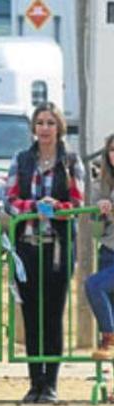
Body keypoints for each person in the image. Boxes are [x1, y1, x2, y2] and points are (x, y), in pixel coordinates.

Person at [6, 102, 84, 404]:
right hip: (27, 247)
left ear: (59, 127)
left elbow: (78, 204)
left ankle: (50, 383)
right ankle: (34, 381)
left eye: (50, 123)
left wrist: (55, 209)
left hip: (58, 249)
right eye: (40, 123)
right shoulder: (21, 159)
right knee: (31, 316)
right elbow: (10, 200)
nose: (45, 128)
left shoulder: (70, 162)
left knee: (52, 316)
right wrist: (32, 208)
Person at [86, 134, 114, 361]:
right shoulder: (101, 184)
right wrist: (100, 214)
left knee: (94, 284)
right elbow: (96, 233)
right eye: (112, 150)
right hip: (107, 251)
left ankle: (108, 338)